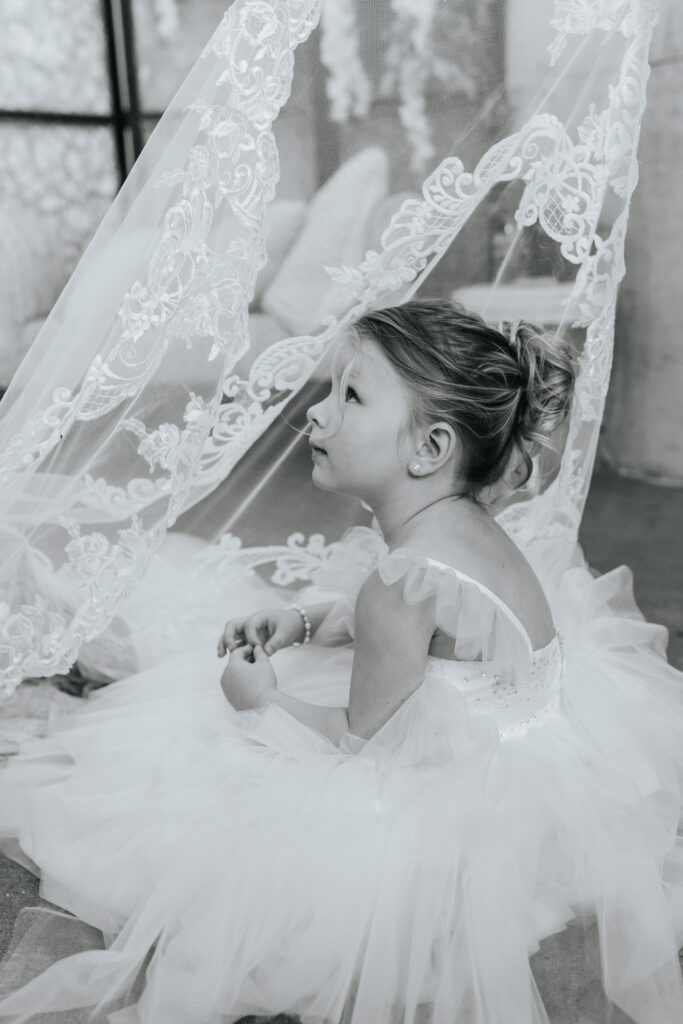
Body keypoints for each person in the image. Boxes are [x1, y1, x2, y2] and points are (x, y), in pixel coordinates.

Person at [1, 301, 682, 1024]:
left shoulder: (402, 586)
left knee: (198, 772)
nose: (315, 416)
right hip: (546, 754)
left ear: (428, 449)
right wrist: (299, 620)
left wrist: (258, 700)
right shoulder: (463, 531)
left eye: (348, 397)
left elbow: (361, 744)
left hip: (453, 799)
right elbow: (417, 633)